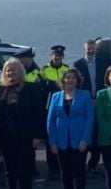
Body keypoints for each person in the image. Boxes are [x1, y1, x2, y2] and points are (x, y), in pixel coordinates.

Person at [0, 58, 44, 189]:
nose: (11, 73)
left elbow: (38, 113)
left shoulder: (30, 88)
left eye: (14, 70)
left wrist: (38, 136)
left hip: (26, 138)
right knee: (9, 172)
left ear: (20, 71)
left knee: (25, 172)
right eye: (8, 70)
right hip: (6, 138)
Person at [48, 68, 95, 189]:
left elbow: (89, 118)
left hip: (79, 141)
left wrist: (85, 139)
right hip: (61, 142)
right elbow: (50, 120)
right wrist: (53, 142)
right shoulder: (55, 96)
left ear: (77, 80)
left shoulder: (85, 95)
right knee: (65, 173)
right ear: (63, 80)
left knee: (79, 173)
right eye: (67, 77)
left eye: (73, 77)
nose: (70, 80)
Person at [74, 39, 107, 175]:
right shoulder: (77, 64)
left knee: (97, 133)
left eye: (93, 48)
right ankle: (80, 163)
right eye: (88, 48)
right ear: (84, 49)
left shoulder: (103, 63)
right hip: (84, 102)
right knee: (85, 132)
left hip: (99, 102)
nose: (91, 51)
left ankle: (93, 164)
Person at [43, 45, 70, 180]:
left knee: (62, 133)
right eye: (55, 55)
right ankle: (52, 165)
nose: (57, 57)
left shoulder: (67, 69)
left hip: (65, 104)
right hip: (49, 105)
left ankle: (63, 163)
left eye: (59, 55)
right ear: (51, 56)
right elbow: (41, 86)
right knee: (51, 134)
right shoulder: (44, 70)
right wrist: (53, 83)